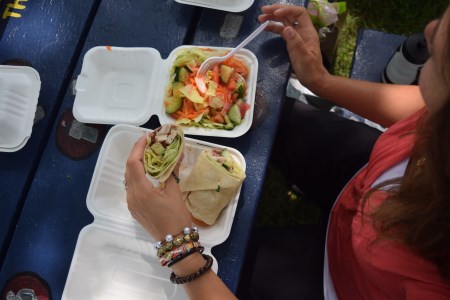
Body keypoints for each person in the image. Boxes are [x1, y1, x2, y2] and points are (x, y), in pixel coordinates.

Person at [125, 3, 450, 299]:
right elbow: (430, 108)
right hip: (362, 175)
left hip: (339, 282)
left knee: (228, 261)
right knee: (271, 118)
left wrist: (183, 254)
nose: (431, 30)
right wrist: (321, 81)